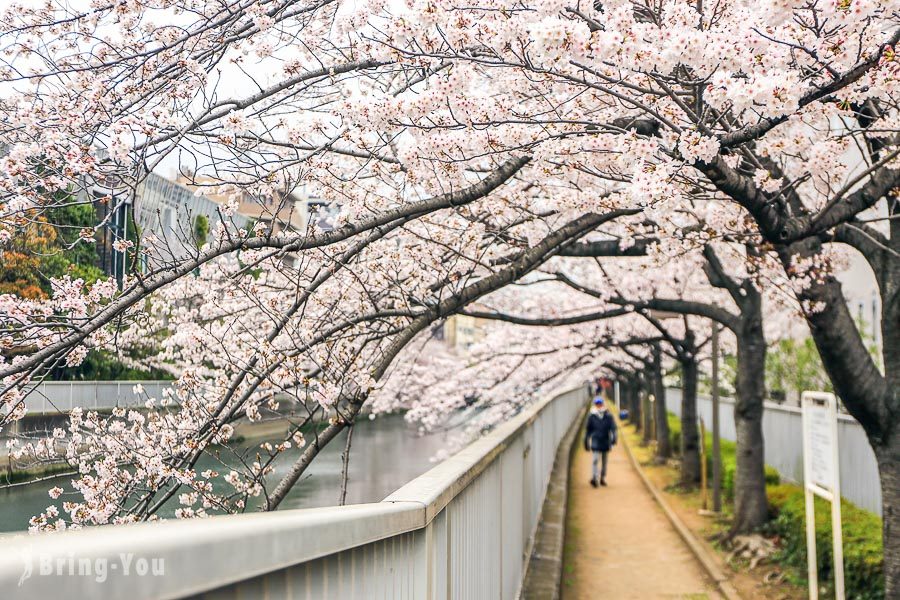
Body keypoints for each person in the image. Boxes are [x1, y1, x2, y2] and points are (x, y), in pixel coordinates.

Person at [584, 396, 617, 487]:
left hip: (605, 440)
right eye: (597, 404)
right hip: (595, 440)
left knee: (604, 461)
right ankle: (594, 478)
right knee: (595, 460)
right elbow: (588, 430)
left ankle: (602, 477)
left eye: (600, 403)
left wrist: (614, 437)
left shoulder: (608, 415)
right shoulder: (592, 416)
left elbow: (613, 428)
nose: (599, 405)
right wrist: (586, 441)